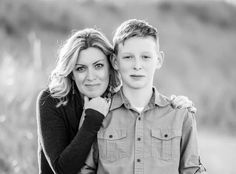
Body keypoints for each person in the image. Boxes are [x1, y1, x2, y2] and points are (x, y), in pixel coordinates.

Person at [36, 28, 197, 174]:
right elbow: (62, 170)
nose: (91, 77)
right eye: (80, 68)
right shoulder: (52, 100)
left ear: (111, 65)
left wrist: (176, 104)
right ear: (71, 72)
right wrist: (92, 119)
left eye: (98, 66)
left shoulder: (113, 101)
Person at [79, 19, 206, 174]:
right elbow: (85, 170)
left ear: (158, 60)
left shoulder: (181, 114)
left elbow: (192, 170)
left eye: (145, 57)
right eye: (128, 57)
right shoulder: (97, 114)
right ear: (115, 61)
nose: (137, 65)